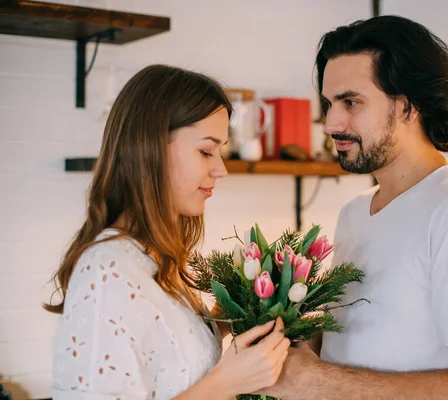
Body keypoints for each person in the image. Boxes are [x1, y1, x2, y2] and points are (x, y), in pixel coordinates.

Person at [260, 15, 448, 400]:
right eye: (329, 104)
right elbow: (361, 340)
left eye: (351, 102)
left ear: (407, 106)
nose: (331, 123)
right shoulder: (353, 214)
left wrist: (316, 381)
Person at [45, 64, 290, 400]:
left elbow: (167, 366)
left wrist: (221, 322)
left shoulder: (155, 258)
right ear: (151, 147)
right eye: (206, 151)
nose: (221, 169)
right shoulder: (107, 267)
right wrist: (227, 382)